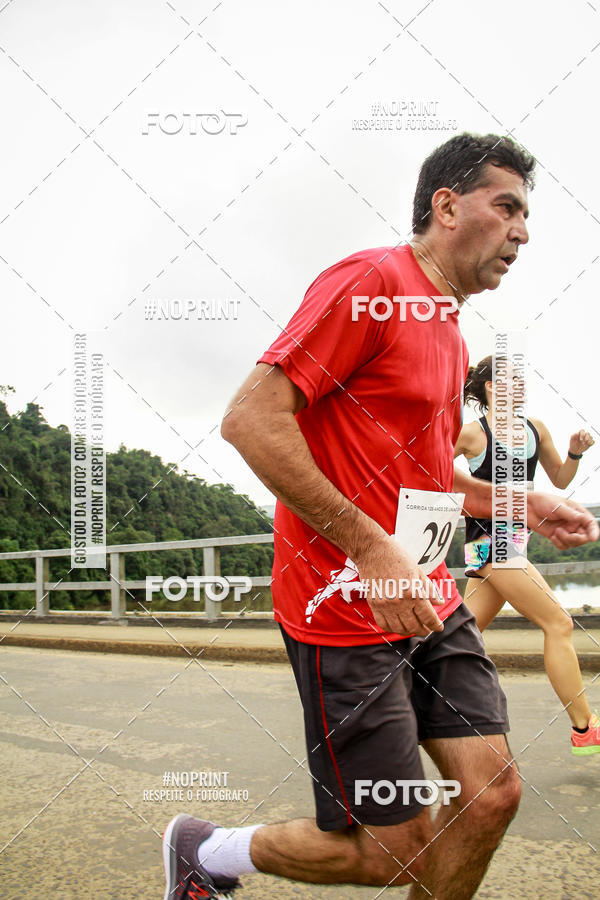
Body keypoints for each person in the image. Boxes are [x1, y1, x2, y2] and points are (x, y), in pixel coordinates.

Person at [162, 133, 598, 900]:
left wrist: (516, 499)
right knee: (390, 852)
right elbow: (251, 420)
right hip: (345, 609)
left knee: (493, 793)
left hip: (427, 595)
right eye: (507, 208)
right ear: (446, 204)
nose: (523, 232)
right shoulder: (373, 280)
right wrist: (369, 549)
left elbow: (421, 481)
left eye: (527, 216)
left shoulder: (447, 326)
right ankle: (208, 849)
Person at [455, 355, 598, 755]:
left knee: (458, 636)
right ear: (490, 388)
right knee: (559, 623)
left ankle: (392, 688)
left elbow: (560, 478)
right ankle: (585, 728)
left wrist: (573, 453)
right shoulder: (472, 434)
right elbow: (427, 468)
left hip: (514, 544)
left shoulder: (536, 429)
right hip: (491, 544)